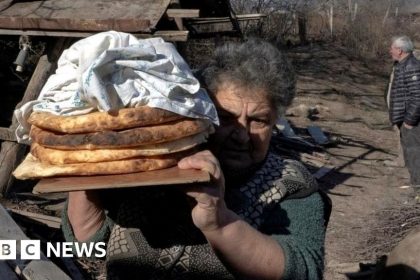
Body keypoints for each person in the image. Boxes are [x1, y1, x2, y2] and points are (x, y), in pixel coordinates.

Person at [62, 39, 328, 279]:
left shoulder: (290, 183)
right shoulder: (155, 163)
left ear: (274, 123)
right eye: (225, 117)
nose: (242, 136)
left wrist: (220, 221)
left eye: (258, 121)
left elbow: (303, 271)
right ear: (201, 113)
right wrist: (87, 163)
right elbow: (87, 245)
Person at [388, 35, 420, 203]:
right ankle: (416, 191)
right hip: (405, 121)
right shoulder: (401, 65)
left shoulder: (412, 67)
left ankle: (419, 194)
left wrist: (409, 121)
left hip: (413, 124)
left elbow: (418, 97)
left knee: (415, 157)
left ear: (399, 50)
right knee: (410, 157)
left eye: (392, 48)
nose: (390, 50)